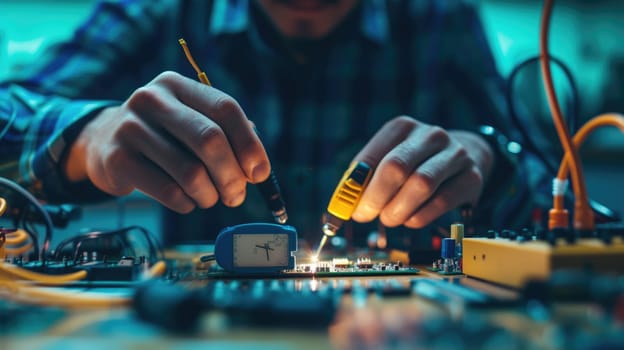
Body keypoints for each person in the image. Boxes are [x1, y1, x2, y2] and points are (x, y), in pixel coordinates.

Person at [0, 0, 550, 252]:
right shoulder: (159, 11)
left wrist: (488, 160)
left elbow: (554, 189)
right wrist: (88, 137)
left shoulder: (441, 20)